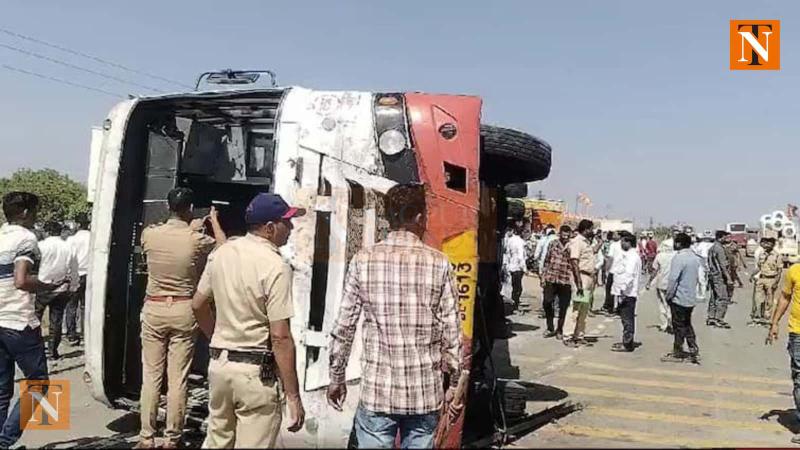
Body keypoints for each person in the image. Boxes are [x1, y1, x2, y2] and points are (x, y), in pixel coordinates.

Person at [327, 184, 463, 449]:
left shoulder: (363, 261)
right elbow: (452, 331)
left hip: (378, 394)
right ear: (420, 218)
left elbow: (344, 326)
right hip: (424, 394)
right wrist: (454, 383)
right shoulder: (439, 263)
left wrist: (336, 377)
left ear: (388, 218)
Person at [193, 192, 305, 448]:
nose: (291, 228)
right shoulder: (276, 266)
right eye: (286, 222)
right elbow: (280, 336)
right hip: (255, 375)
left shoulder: (221, 254)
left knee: (218, 441)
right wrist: (293, 395)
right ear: (269, 228)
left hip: (220, 368)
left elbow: (198, 304)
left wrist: (217, 337)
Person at [135, 188, 226, 449]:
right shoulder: (197, 239)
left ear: (168, 207)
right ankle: (172, 437)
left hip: (154, 308)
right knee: (178, 378)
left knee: (151, 376)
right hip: (184, 309)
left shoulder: (150, 234)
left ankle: (146, 436)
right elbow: (223, 248)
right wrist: (211, 223)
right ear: (190, 208)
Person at [0, 192, 66, 448]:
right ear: (26, 213)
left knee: (2, 388)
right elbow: (21, 280)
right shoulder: (26, 238)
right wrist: (45, 285)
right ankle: (5, 441)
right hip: (18, 322)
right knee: (39, 384)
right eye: (35, 211)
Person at [766, 260, 800, 445]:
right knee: (799, 379)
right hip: (798, 333)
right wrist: (775, 323)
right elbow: (785, 297)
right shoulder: (794, 271)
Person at [35, 221, 79, 359]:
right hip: (61, 287)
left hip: (41, 287)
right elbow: (74, 268)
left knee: (36, 320)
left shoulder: (40, 246)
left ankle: (36, 350)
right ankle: (53, 351)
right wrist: (73, 286)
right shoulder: (68, 247)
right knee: (56, 320)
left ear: (46, 231)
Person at [662, 233, 701, 363]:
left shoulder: (679, 258)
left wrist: (668, 295)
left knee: (678, 325)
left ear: (679, 243)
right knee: (687, 323)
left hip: (679, 297)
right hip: (690, 297)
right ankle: (692, 346)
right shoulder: (695, 258)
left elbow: (673, 279)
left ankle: (678, 351)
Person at [562, 219, 599, 347]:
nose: (592, 231)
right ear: (586, 229)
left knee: (584, 308)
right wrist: (578, 283)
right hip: (581, 278)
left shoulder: (586, 243)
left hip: (588, 278)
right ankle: (568, 335)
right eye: (591, 229)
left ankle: (579, 335)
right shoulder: (577, 241)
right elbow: (574, 263)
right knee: (575, 307)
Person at [541, 225, 578, 340]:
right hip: (551, 278)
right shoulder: (553, 244)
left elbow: (575, 262)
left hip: (565, 280)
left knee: (564, 307)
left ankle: (560, 329)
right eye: (563, 235)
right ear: (560, 234)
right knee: (547, 302)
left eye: (567, 235)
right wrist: (543, 276)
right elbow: (546, 260)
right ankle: (550, 326)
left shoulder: (572, 246)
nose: (565, 237)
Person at [611, 234, 642, 352]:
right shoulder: (628, 256)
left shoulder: (632, 257)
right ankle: (626, 340)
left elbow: (629, 275)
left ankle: (627, 343)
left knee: (627, 319)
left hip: (628, 293)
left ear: (628, 242)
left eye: (623, 242)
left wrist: (623, 291)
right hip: (626, 292)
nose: (621, 244)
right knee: (625, 318)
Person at [65, 213, 90, 345]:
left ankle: (72, 334)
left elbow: (68, 259)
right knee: (86, 306)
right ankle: (87, 333)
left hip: (75, 275)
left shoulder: (72, 240)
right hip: (89, 274)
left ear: (78, 224)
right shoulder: (93, 237)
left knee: (71, 305)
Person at [706, 231, 734, 329]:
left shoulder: (712, 248)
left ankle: (711, 317)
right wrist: (729, 278)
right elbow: (723, 265)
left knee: (714, 297)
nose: (727, 239)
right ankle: (719, 319)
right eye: (725, 237)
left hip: (712, 275)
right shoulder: (719, 249)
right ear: (720, 238)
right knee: (723, 298)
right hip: (719, 276)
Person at [751, 237, 782, 325]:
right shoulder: (762, 254)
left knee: (769, 300)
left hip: (771, 279)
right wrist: (752, 275)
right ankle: (758, 317)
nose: (767, 245)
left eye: (769, 243)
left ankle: (767, 318)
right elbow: (759, 267)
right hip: (761, 278)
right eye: (766, 243)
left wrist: (776, 282)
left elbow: (779, 270)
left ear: (773, 245)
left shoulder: (777, 255)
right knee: (758, 299)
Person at [647, 240, 674, 333]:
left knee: (662, 304)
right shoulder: (676, 255)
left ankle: (664, 324)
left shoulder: (660, 256)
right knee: (672, 304)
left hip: (661, 283)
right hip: (673, 284)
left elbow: (655, 270)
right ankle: (672, 321)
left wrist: (649, 282)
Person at [504, 226, 528, 312]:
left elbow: (507, 253)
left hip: (512, 265)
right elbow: (521, 256)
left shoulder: (510, 240)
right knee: (518, 287)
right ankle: (515, 304)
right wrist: (524, 268)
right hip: (518, 267)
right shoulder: (520, 242)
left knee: (515, 286)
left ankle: (514, 303)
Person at [601, 231, 623, 315]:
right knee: (620, 291)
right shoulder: (625, 245)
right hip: (621, 271)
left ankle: (609, 307)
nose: (613, 236)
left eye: (615, 234)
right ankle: (619, 308)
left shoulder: (614, 245)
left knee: (610, 290)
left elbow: (610, 258)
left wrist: (607, 270)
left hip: (613, 271)